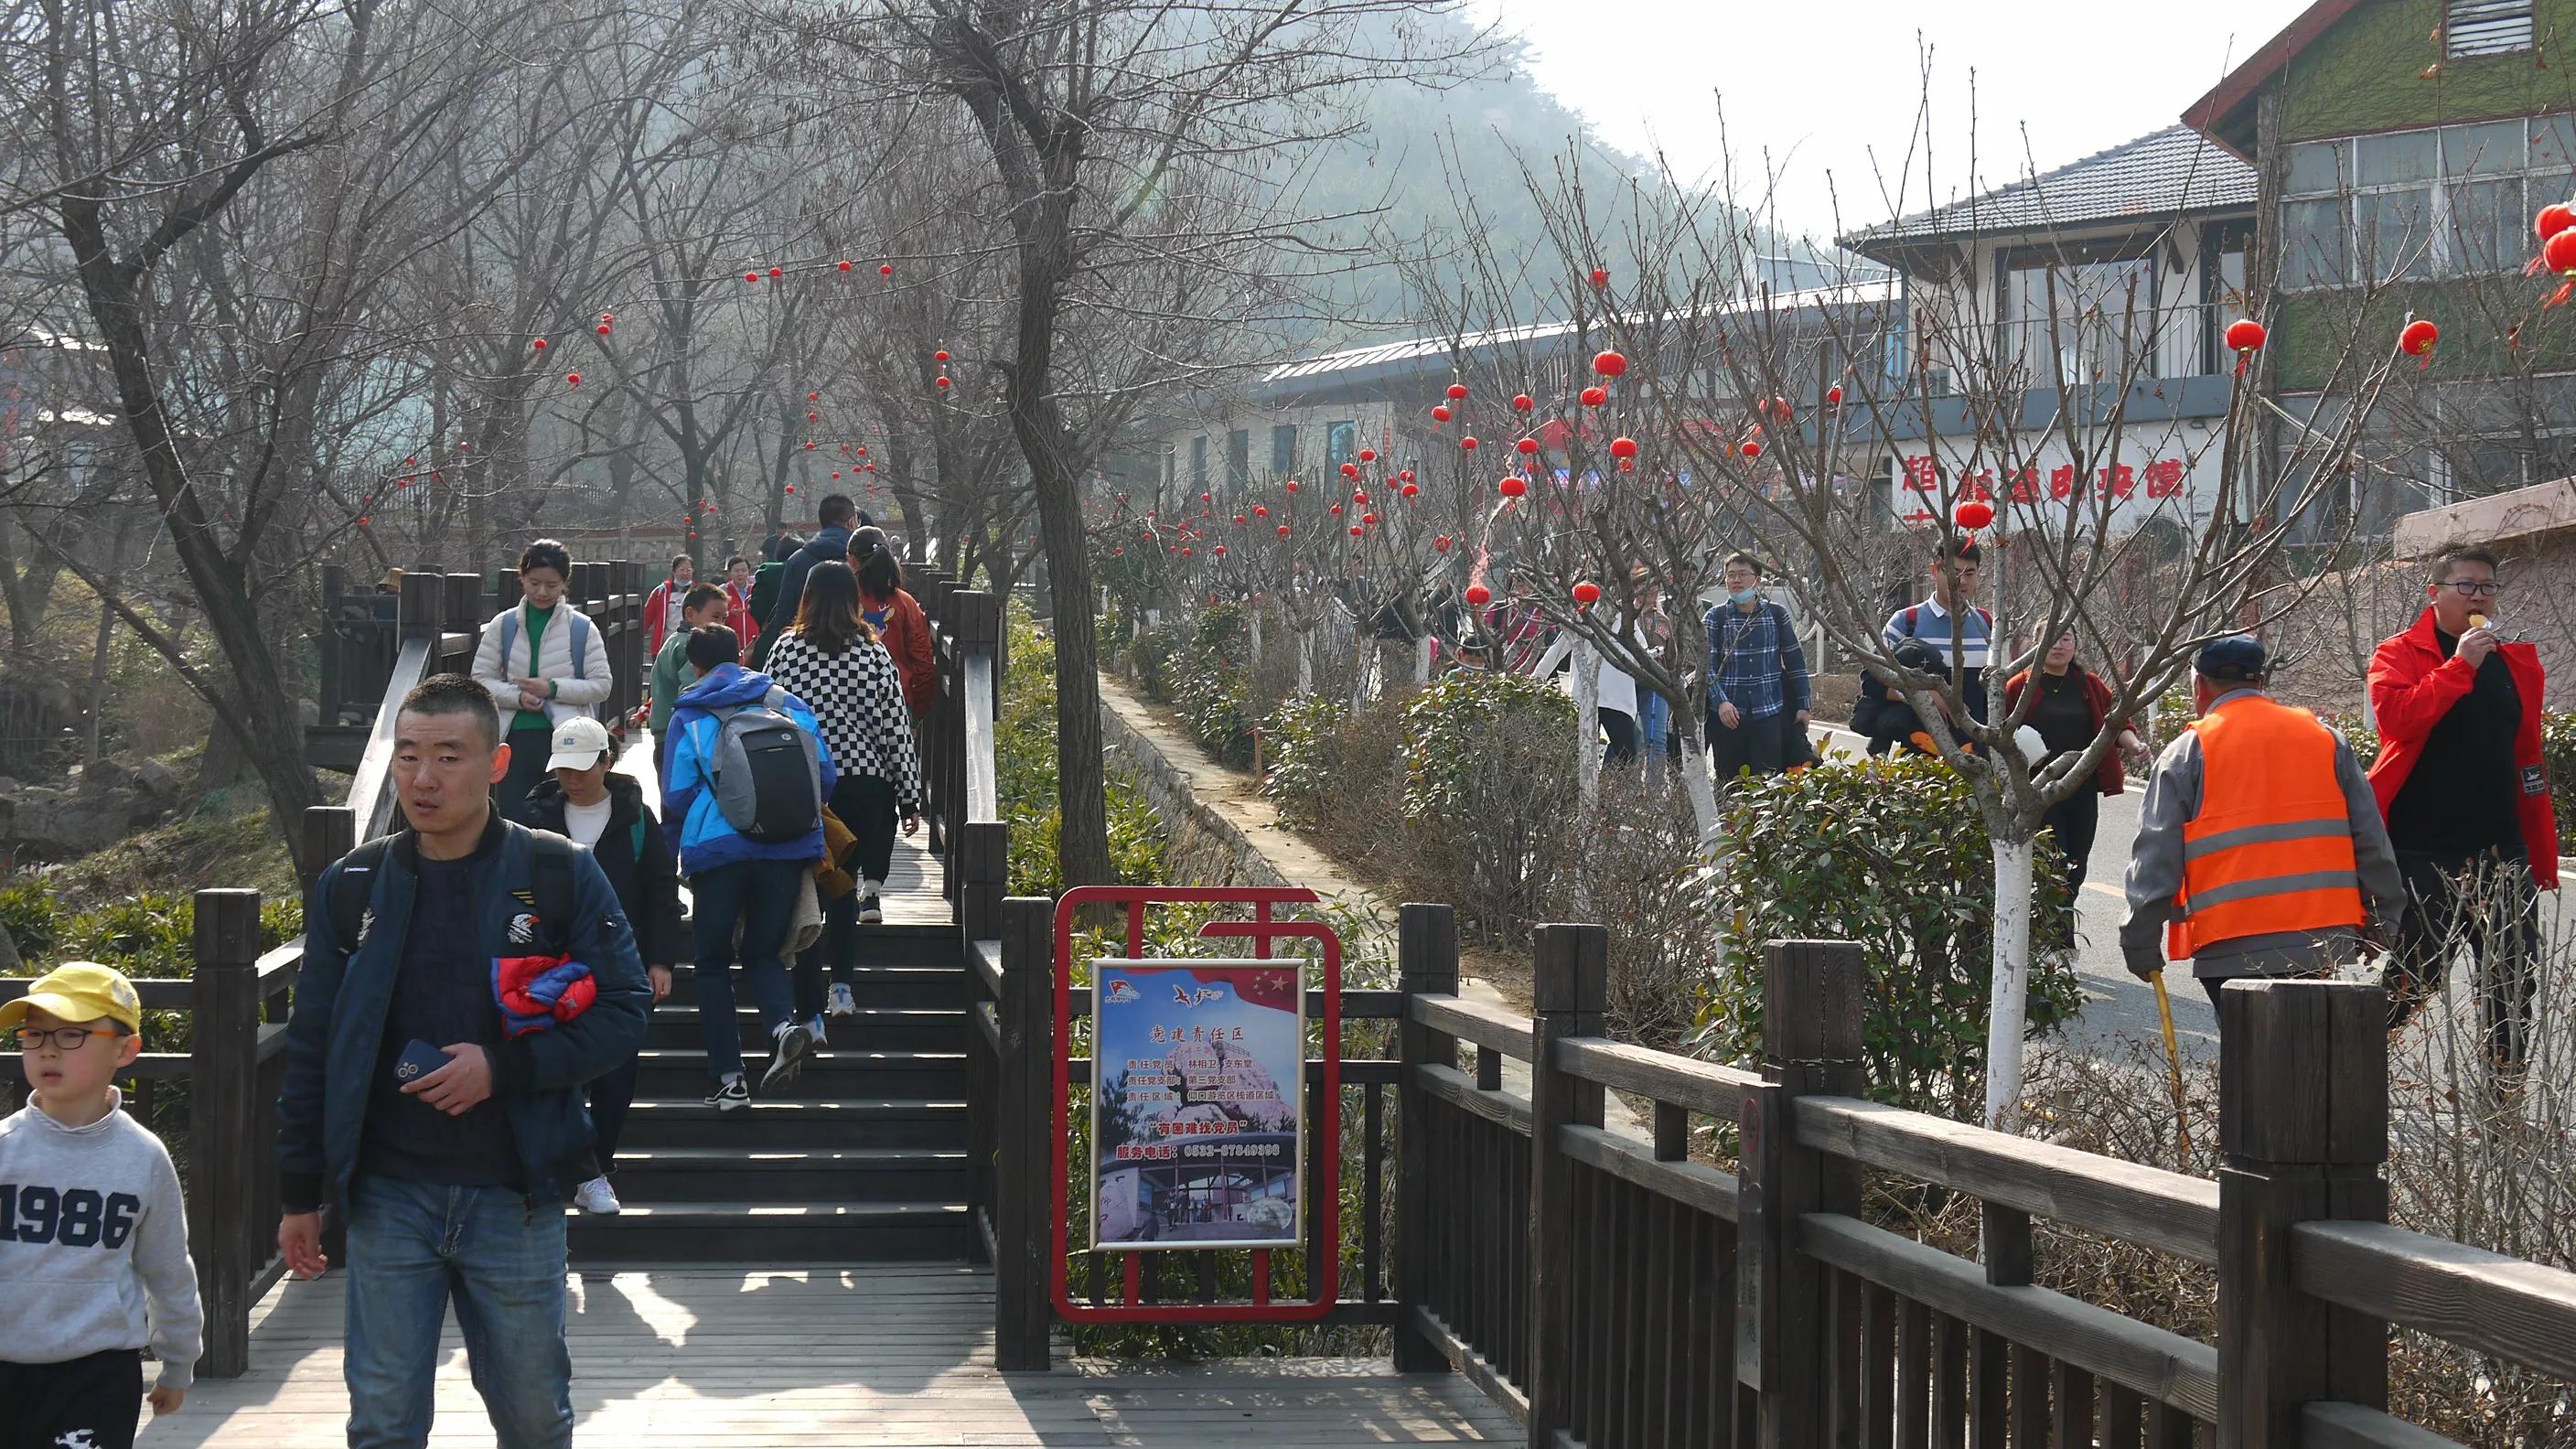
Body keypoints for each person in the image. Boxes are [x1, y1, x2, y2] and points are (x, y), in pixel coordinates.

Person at [276, 672, 649, 1449]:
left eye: (449, 756)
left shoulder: (556, 874)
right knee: (380, 1418)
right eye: (408, 755)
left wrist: (503, 1069)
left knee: (534, 1416)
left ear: (499, 764)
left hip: (513, 1192)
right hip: (387, 1195)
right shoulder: (352, 885)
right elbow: (313, 1044)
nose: (422, 777)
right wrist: (297, 1190)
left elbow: (622, 1011)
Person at [2118, 636, 2404, 1021]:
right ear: (2261, 682)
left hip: (2232, 950)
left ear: (2198, 685)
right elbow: (2371, 840)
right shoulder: (2326, 740)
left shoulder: (2187, 753)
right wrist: (2383, 920)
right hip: (2326, 945)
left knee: (2252, 1069)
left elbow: (2156, 859)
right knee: (2318, 1064)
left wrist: (2139, 941)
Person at [2366, 542, 2559, 1079]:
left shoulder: (2512, 662)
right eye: (2466, 586)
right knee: (2415, 976)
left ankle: (2506, 1104)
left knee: (2513, 982)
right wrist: (2459, 665)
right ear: (2435, 593)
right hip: (2424, 846)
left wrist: (2536, 840)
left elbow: (2523, 753)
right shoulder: (2399, 653)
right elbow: (2399, 721)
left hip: (2501, 847)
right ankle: (2353, 1078)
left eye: (2488, 587)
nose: (2479, 596)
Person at [0, 961, 201, 1448]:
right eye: (34, 1034)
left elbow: (168, 1268)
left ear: (126, 1049)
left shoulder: (143, 1157)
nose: (47, 1047)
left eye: (72, 1034)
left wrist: (178, 1363)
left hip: (98, 1372)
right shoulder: (5, 1149)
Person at [512, 716, 682, 1216]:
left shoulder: (634, 817)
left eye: (583, 767)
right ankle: (561, 1168)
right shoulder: (534, 815)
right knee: (550, 1066)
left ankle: (598, 1168)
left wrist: (661, 960)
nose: (572, 779)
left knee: (616, 1070)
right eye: (563, 768)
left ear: (607, 763)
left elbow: (659, 889)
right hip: (548, 963)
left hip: (620, 963)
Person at [663, 624, 838, 1107]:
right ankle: (782, 1026)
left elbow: (676, 795)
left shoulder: (691, 714)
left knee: (713, 962)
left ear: (694, 666)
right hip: (785, 847)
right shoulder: (786, 703)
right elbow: (825, 775)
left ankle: (730, 1079)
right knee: (763, 952)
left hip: (717, 852)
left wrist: (670, 857)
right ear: (741, 654)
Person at [763, 562, 924, 1020]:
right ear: (853, 600)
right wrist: (909, 795)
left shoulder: (786, 650)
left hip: (803, 781)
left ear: (807, 597)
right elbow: (894, 727)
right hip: (863, 781)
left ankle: (808, 1008)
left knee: (811, 890)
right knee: (845, 891)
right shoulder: (873, 655)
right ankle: (843, 988)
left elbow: (768, 710)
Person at [2003, 628, 2150, 956]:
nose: (2058, 645)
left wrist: (2135, 745)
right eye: (2050, 637)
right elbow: (2000, 732)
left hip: (2080, 789)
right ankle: (2058, 939)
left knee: (2076, 863)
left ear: (2075, 645)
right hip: (2037, 792)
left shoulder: (2089, 685)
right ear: (2034, 644)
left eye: (2066, 638)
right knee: (2053, 861)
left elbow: (2117, 723)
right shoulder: (2020, 685)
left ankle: (2053, 931)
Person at [473, 539, 616, 817]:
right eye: (534, 582)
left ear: (564, 584)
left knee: (561, 818)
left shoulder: (582, 627)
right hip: (512, 737)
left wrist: (551, 688)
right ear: (522, 579)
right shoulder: (503, 625)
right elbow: (480, 679)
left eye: (552, 586)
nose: (541, 592)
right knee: (513, 817)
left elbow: (602, 685)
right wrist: (517, 697)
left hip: (568, 741)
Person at [1864, 539, 1991, 754]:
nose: (1961, 582)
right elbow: (1872, 681)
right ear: (1934, 571)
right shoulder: (1906, 622)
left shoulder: (1986, 623)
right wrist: (1924, 696)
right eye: (1953, 572)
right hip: (1921, 757)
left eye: (1970, 573)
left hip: (1976, 752)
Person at [1702, 552, 1811, 783]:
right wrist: (1720, 701)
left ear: (1758, 580)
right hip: (1728, 718)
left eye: (1742, 574)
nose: (1736, 580)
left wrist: (1804, 704)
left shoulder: (1776, 615)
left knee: (1770, 786)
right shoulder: (1715, 618)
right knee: (1729, 786)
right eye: (1730, 575)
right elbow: (1707, 667)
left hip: (1769, 713)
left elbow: (1795, 662)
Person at [755, 495, 864, 667]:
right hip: (857, 656)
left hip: (804, 658)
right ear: (851, 522)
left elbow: (785, 614)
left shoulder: (798, 560)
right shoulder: (863, 558)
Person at [846, 527, 937, 716]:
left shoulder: (842, 601)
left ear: (852, 560)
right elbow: (923, 660)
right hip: (897, 700)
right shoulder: (905, 603)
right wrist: (918, 709)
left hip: (847, 700)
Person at [649, 583, 730, 783]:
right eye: (716, 617)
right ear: (690, 615)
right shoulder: (691, 646)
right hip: (681, 737)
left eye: (724, 619)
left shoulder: (674, 640)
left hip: (666, 735)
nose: (721, 625)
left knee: (671, 799)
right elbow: (693, 692)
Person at [642, 553, 695, 657]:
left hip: (690, 645)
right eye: (682, 570)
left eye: (688, 570)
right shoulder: (661, 591)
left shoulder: (697, 592)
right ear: (674, 572)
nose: (685, 573)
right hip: (663, 645)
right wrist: (639, 637)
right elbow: (647, 616)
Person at [724, 554, 762, 654]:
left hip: (754, 645)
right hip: (731, 646)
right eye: (736, 571)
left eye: (744, 570)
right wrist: (730, 614)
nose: (740, 574)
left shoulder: (757, 591)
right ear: (729, 573)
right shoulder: (723, 592)